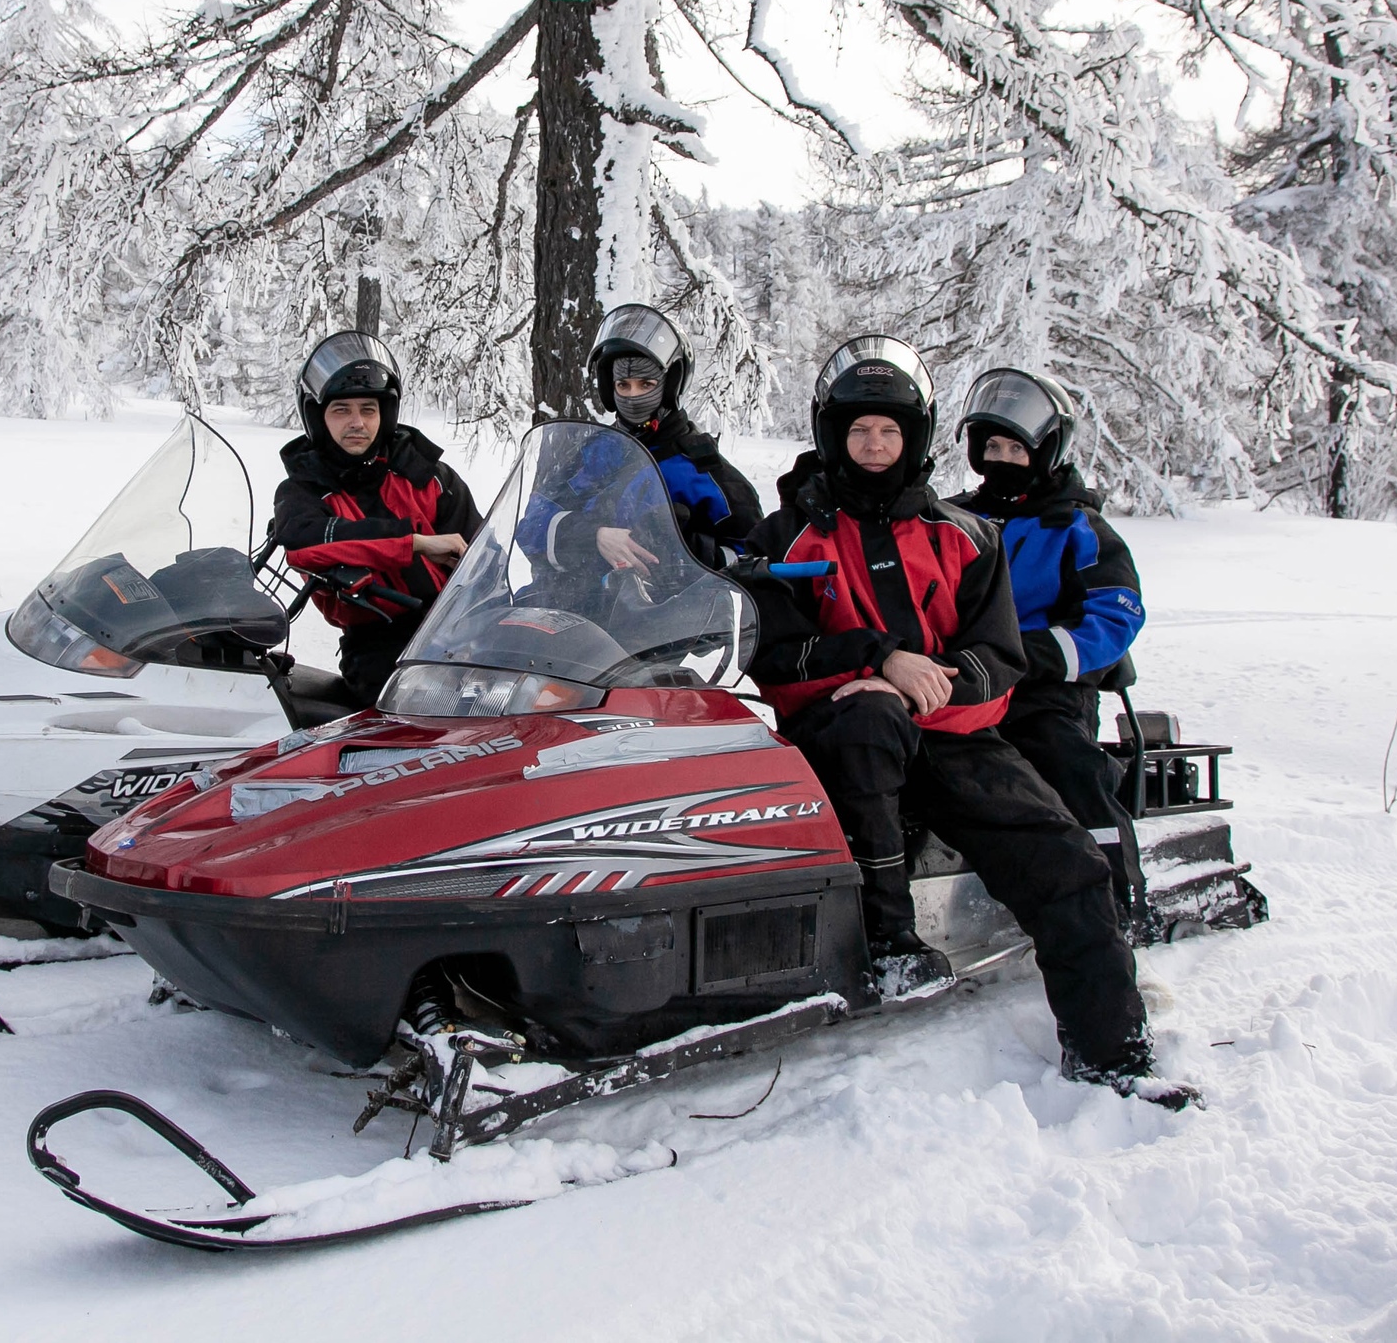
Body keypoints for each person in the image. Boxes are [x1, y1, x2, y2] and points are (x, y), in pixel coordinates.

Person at [744, 336, 1188, 1106]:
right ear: (832, 435)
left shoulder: (966, 536)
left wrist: (929, 685)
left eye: (889, 430)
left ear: (914, 436)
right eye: (859, 431)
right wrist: (874, 664)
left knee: (1067, 861)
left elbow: (1000, 656)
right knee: (869, 722)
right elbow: (770, 646)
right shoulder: (787, 534)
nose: (875, 445)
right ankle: (886, 941)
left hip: (952, 733)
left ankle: (1113, 1054)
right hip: (834, 737)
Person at [948, 368, 1151, 936]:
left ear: (1047, 451)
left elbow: (1117, 614)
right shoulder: (953, 516)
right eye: (992, 445)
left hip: (1047, 688)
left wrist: (1036, 654)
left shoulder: (1077, 526)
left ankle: (1119, 902)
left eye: (1017, 447)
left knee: (1067, 764)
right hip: (962, 679)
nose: (1003, 457)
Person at [268, 331, 483, 708]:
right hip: (378, 645)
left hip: (458, 632)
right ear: (318, 416)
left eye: (368, 409)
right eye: (342, 410)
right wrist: (414, 543)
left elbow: (484, 553)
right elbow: (306, 544)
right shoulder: (303, 490)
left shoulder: (427, 475)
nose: (357, 422)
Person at [517, 305, 762, 579]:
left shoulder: (702, 470)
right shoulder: (594, 453)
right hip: (576, 605)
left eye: (646, 384)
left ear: (669, 386)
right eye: (623, 385)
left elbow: (754, 554)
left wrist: (686, 553)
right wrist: (592, 536)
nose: (633, 396)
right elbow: (532, 526)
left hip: (664, 613)